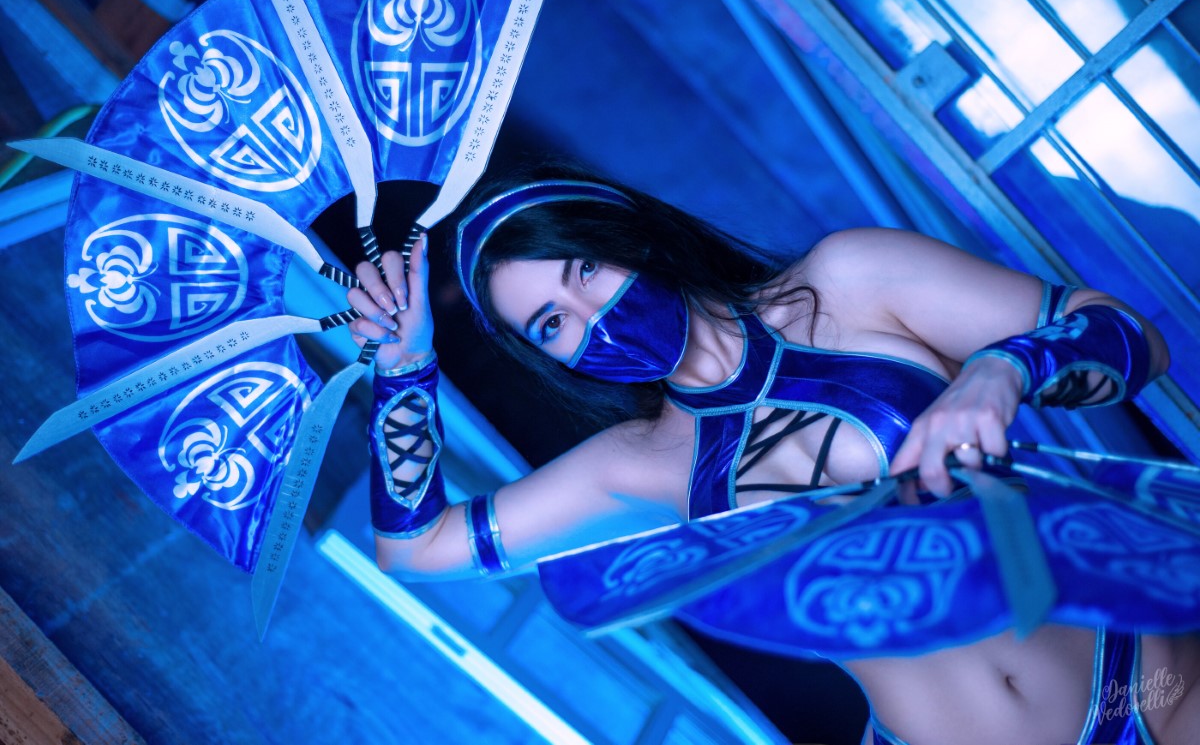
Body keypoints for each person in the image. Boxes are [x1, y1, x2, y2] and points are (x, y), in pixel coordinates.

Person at [344, 166, 1198, 745]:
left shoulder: (851, 281)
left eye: (584, 268)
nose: (590, 315)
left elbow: (1135, 339)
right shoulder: (636, 464)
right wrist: (404, 366)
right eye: (552, 323)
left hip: (1149, 679)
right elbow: (415, 548)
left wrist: (1002, 369)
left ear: (627, 233)